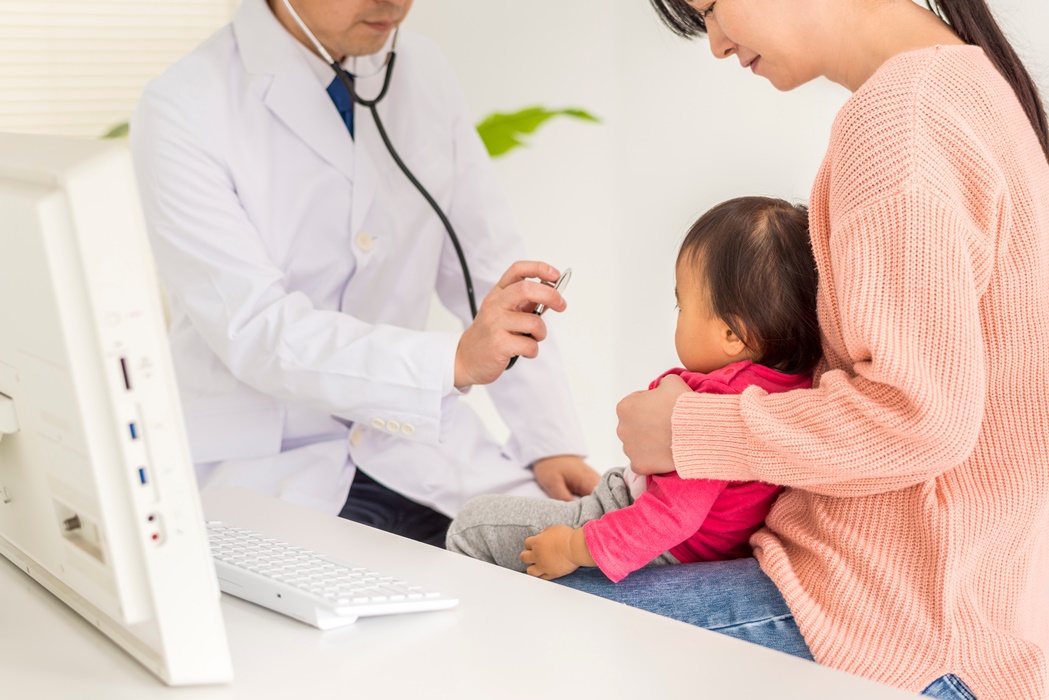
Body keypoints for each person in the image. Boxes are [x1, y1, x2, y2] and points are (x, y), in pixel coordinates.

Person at [562, 0, 1049, 697]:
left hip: (888, 628)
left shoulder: (898, 122)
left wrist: (688, 431)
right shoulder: (964, 87)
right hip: (934, 618)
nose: (716, 44)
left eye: (710, 8)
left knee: (509, 614)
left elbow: (918, 418)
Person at [128, 0, 600, 548]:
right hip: (273, 461)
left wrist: (549, 439)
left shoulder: (421, 70)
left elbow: (487, 265)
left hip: (415, 446)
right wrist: (450, 362)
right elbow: (257, 329)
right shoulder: (185, 106)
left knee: (585, 571)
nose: (396, 3)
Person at [446, 196, 820, 584]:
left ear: (731, 333)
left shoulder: (718, 409)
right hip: (631, 506)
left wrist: (574, 547)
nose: (678, 315)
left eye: (682, 305)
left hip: (640, 536)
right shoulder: (793, 391)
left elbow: (672, 516)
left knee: (472, 528)